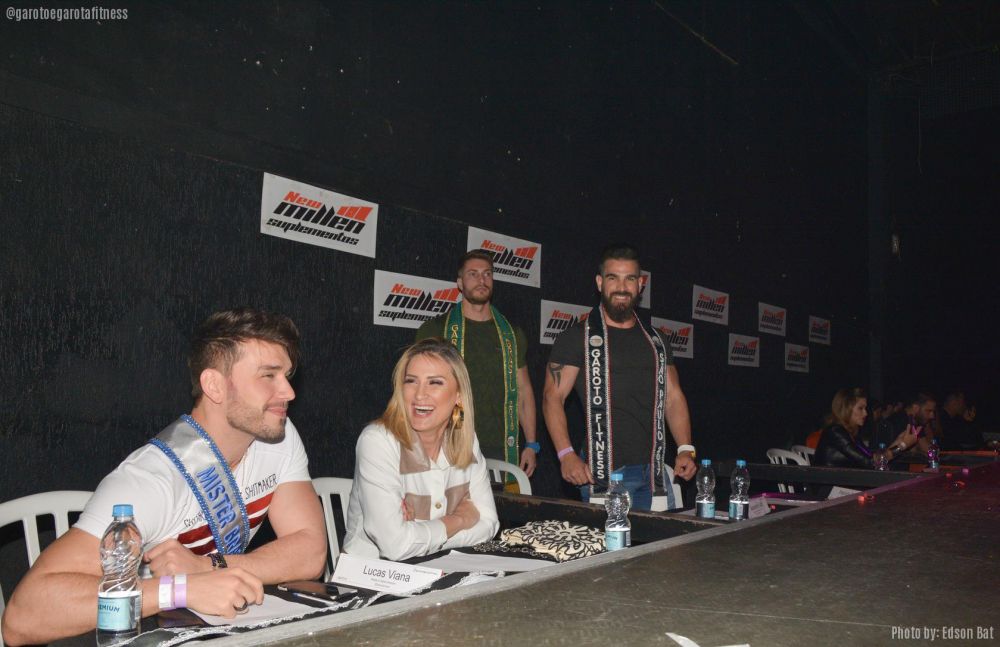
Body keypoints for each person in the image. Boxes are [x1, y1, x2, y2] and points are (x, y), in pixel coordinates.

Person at [1, 308, 327, 647]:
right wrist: (179, 590)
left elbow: (310, 552)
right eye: (268, 376)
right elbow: (22, 617)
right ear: (214, 385)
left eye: (287, 375)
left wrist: (209, 566)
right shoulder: (148, 481)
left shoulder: (279, 436)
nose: (288, 392)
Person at [542, 244, 695, 511]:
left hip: (654, 472)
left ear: (641, 284)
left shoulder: (657, 341)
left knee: (659, 540)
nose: (621, 287)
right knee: (612, 540)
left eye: (630, 279)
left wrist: (685, 448)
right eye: (613, 278)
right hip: (603, 473)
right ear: (600, 282)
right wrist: (565, 454)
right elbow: (552, 397)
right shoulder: (577, 337)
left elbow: (673, 397)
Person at [343, 338, 500, 560]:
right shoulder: (378, 441)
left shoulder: (466, 440)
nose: (419, 394)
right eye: (411, 381)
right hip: (371, 575)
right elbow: (395, 546)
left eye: (435, 382)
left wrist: (419, 533)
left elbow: (489, 524)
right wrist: (458, 520)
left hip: (439, 569)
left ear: (458, 395)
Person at [416, 250, 539, 482]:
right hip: (448, 444)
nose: (481, 280)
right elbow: (417, 391)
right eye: (473, 274)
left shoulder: (512, 334)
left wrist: (532, 444)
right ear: (460, 283)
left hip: (502, 448)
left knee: (501, 507)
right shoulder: (435, 330)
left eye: (487, 274)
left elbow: (524, 391)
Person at [814, 387, 917, 469]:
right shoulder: (835, 431)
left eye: (865, 408)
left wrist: (898, 442)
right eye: (860, 408)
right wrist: (902, 446)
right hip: (830, 486)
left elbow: (872, 457)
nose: (866, 413)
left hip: (844, 483)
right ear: (846, 409)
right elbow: (871, 463)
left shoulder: (851, 433)